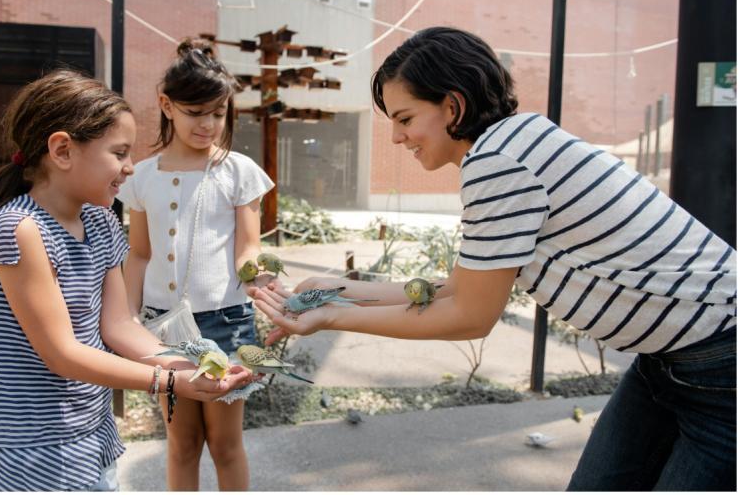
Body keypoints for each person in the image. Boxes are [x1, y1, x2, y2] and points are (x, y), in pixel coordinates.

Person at [249, 26, 737, 491]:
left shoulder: (497, 163)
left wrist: (332, 318)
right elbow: (457, 288)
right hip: (670, 360)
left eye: (405, 119)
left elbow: (469, 317)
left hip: (720, 362)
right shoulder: (516, 142)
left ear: (453, 106)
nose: (398, 138)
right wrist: (330, 291)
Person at [0, 70, 252, 492]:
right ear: (62, 150)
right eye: (119, 153)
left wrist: (193, 367)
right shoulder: (20, 229)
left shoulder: (99, 221)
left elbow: (118, 326)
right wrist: (169, 380)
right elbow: (61, 353)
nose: (131, 168)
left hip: (88, 429)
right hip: (23, 445)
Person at [117, 39, 274, 491]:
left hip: (227, 322)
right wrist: (130, 318)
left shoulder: (237, 171)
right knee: (182, 444)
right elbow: (140, 253)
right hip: (162, 327)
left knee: (225, 445)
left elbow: (247, 248)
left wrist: (259, 276)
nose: (208, 125)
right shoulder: (143, 176)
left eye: (218, 113)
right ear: (167, 106)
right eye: (195, 112)